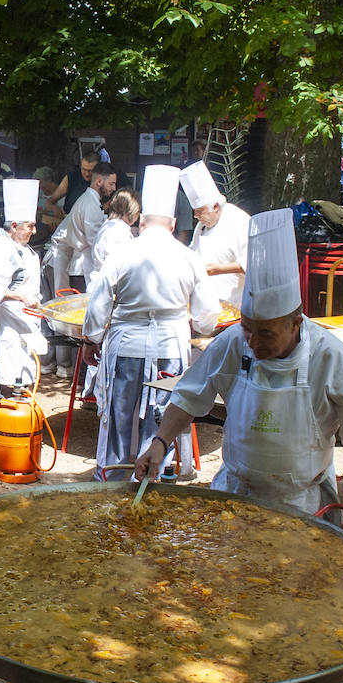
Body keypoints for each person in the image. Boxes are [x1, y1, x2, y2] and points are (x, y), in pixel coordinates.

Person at [134, 208, 343, 683]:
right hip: (234, 495)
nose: (254, 341)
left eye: (266, 333)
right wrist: (158, 442)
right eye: (249, 330)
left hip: (301, 503)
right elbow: (189, 395)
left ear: (296, 320)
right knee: (216, 597)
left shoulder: (330, 357)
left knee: (289, 611)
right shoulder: (236, 343)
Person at [85, 167, 219, 481]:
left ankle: (115, 478)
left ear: (142, 221)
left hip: (126, 346)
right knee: (161, 418)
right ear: (173, 224)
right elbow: (207, 315)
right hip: (169, 347)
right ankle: (156, 481)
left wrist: (91, 337)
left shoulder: (122, 253)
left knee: (121, 416)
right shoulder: (188, 257)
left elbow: (98, 303)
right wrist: (195, 324)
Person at [0, 179, 46, 404]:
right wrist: (21, 297)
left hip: (26, 320)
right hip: (11, 320)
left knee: (22, 367)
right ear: (14, 226)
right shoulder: (0, 249)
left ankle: (16, 412)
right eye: (30, 226)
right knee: (7, 365)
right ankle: (3, 416)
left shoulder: (19, 246)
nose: (34, 231)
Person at [185, 162, 251, 308]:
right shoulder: (202, 225)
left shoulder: (240, 221)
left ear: (215, 206)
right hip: (204, 301)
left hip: (232, 301)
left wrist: (219, 269)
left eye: (200, 211)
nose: (196, 216)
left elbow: (250, 263)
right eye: (194, 211)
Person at [64, 161, 116, 288]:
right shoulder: (90, 204)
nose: (113, 188)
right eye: (111, 184)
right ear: (99, 182)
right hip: (83, 269)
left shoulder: (90, 200)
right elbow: (95, 242)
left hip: (82, 267)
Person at [88, 188, 139, 288]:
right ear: (132, 211)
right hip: (106, 288)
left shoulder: (111, 224)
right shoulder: (118, 232)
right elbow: (118, 268)